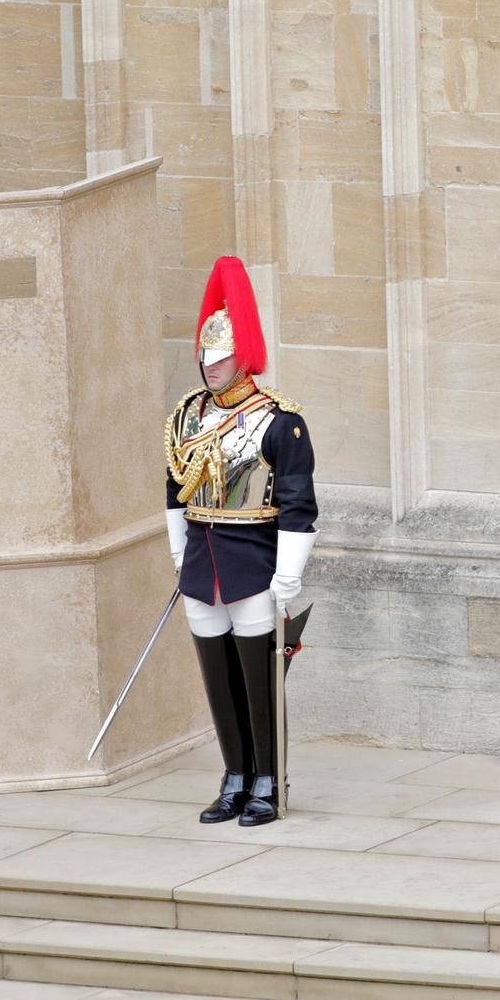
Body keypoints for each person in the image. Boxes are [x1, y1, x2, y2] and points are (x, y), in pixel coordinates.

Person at [164, 256, 318, 826]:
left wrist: (288, 576)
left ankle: (267, 779)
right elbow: (175, 489)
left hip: (254, 558)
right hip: (204, 562)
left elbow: (300, 506)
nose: (211, 365)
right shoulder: (188, 415)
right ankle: (234, 773)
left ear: (243, 354)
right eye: (205, 356)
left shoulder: (280, 422)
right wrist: (179, 553)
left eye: (222, 355)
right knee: (217, 674)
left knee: (259, 679)